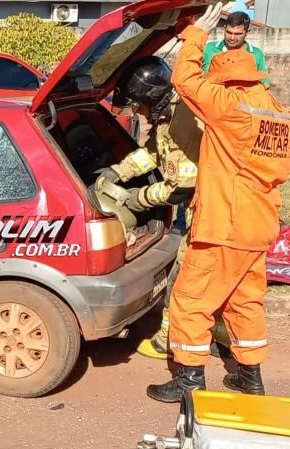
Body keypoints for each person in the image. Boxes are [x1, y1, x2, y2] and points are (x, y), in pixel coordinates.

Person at [146, 2, 290, 403]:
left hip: (224, 225)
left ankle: (189, 378)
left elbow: (185, 79)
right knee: (245, 301)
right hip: (260, 223)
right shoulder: (278, 113)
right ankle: (250, 376)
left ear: (226, 80)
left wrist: (196, 35)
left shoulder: (228, 105)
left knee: (192, 300)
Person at [95, 57, 233, 361]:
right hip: (216, 210)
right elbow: (155, 154)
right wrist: (119, 172)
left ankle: (169, 341)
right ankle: (220, 332)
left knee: (184, 282)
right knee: (217, 279)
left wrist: (136, 199)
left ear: (151, 98)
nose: (139, 114)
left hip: (210, 211)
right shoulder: (170, 116)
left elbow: (181, 186)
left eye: (139, 106)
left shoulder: (182, 118)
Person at [202, 12, 269, 86]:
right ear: (224, 29)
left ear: (247, 32)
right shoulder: (209, 49)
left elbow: (264, 83)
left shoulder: (256, 54)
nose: (232, 38)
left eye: (238, 34)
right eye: (229, 32)